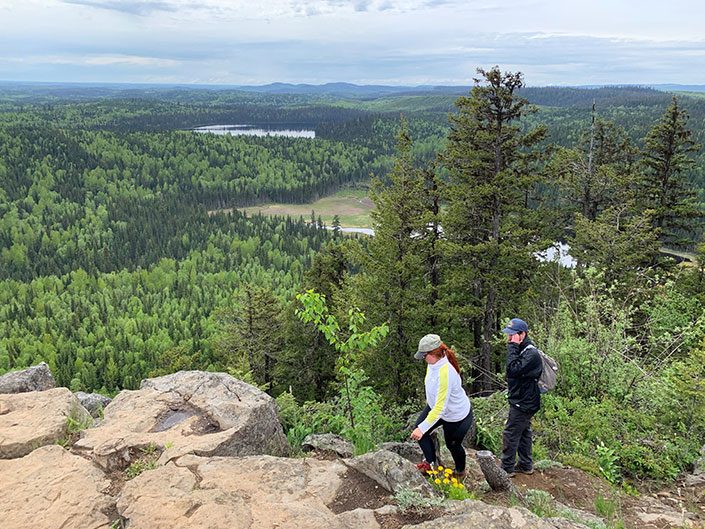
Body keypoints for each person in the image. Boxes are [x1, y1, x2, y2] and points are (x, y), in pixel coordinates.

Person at [410, 334, 474, 478]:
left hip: (456, 416)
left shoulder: (446, 373)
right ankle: (431, 464)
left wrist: (422, 428)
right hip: (437, 408)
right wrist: (422, 428)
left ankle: (460, 471)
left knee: (452, 445)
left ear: (433, 354)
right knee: (420, 429)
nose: (422, 359)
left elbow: (441, 407)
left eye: (424, 355)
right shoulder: (433, 363)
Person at [500, 318, 543, 477]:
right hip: (524, 398)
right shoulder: (523, 350)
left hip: (524, 401)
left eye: (512, 335)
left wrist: (512, 346)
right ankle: (525, 465)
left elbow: (511, 370)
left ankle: (506, 468)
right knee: (524, 431)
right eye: (509, 336)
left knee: (511, 432)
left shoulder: (531, 354)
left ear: (522, 334)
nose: (509, 339)